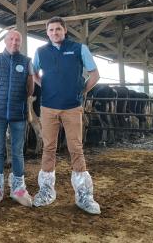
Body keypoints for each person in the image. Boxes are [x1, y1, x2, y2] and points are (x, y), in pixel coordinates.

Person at [32, 16, 101, 214]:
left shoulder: (79, 48)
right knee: (49, 148)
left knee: (75, 148)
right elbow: (34, 73)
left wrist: (81, 92)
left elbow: (95, 75)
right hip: (48, 107)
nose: (55, 32)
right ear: (47, 33)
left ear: (65, 30)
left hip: (72, 107)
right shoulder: (40, 52)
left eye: (58, 29)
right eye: (51, 30)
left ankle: (84, 196)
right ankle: (46, 192)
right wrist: (44, 85)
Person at [0, 29, 34, 207]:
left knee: (17, 152)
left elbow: (30, 89)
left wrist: (21, 100)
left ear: (20, 43)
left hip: (18, 114)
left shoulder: (26, 62)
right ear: (5, 41)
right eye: (11, 39)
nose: (14, 42)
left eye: (17, 40)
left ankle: (18, 190)